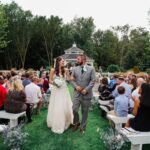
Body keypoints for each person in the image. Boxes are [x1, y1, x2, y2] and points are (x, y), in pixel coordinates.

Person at [47, 57, 73, 134]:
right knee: (58, 106)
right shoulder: (52, 70)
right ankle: (58, 123)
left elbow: (68, 79)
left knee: (65, 105)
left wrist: (70, 76)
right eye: (62, 61)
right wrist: (56, 83)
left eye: (63, 61)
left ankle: (66, 121)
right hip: (56, 90)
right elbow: (50, 80)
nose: (63, 62)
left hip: (64, 90)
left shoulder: (66, 70)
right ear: (58, 62)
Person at [71, 54, 96, 134]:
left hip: (86, 94)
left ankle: (82, 127)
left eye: (78, 59)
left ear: (84, 60)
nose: (76, 60)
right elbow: (72, 80)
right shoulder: (75, 69)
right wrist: (76, 86)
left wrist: (86, 89)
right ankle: (77, 122)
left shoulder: (91, 68)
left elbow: (93, 81)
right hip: (77, 94)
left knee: (84, 111)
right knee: (74, 109)